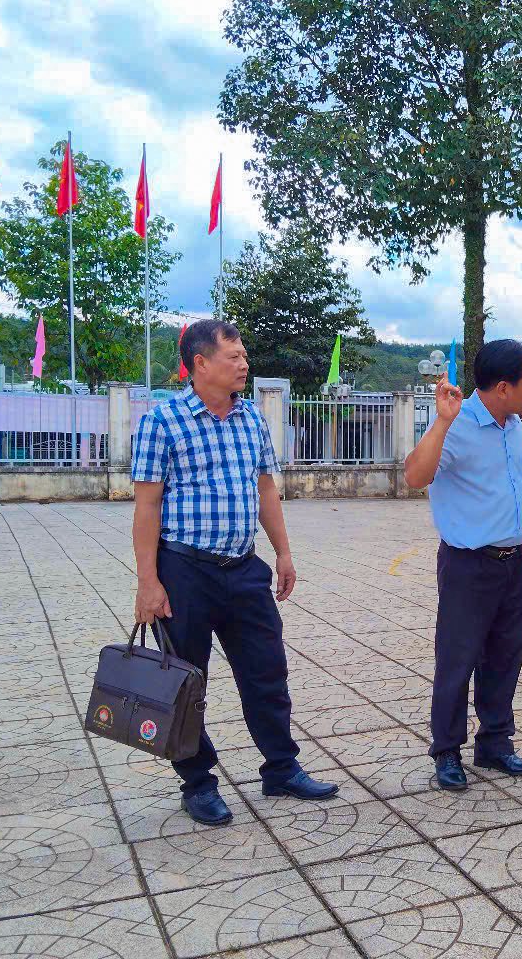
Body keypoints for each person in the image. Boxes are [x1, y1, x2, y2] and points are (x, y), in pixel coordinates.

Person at [131, 319, 338, 826]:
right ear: (201, 363)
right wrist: (148, 582)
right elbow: (147, 506)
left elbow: (266, 490)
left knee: (267, 672)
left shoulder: (252, 420)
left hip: (244, 567)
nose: (244, 364)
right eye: (234, 356)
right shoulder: (163, 421)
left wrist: (283, 553)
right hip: (184, 570)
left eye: (244, 355)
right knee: (185, 681)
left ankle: (281, 768)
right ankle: (197, 783)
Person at [404, 340, 522, 792]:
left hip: (511, 562)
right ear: (503, 387)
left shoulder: (513, 425)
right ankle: (446, 751)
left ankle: (495, 743)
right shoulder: (457, 423)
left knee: (505, 656)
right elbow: (415, 476)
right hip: (468, 565)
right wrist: (442, 421)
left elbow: (520, 485)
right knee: (457, 659)